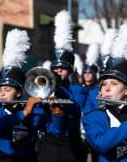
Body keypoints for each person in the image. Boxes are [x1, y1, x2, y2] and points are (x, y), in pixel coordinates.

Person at [37, 10, 88, 162]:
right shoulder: (44, 87)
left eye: (63, 68)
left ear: (71, 70)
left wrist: (58, 90)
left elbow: (76, 107)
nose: (58, 70)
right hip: (48, 140)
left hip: (70, 141)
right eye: (55, 68)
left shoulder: (79, 89)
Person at [0, 67, 67, 162]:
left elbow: (57, 131)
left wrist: (56, 112)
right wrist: (24, 113)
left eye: (7, 90)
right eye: (0, 90)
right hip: (3, 158)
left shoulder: (34, 112)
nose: (2, 94)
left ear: (18, 93)